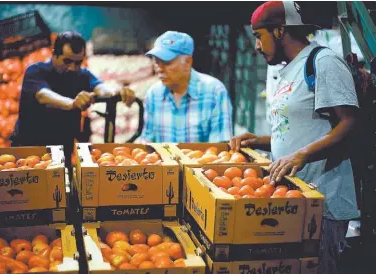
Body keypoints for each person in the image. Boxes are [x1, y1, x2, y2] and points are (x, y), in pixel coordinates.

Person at [230, 2, 359, 274]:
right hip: (291, 198)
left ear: (279, 31)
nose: (256, 46)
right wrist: (260, 141)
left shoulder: (323, 62)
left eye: (258, 36)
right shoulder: (287, 70)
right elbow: (298, 130)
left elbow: (350, 123)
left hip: (323, 202)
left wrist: (302, 155)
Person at [12, 31, 135, 169]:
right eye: (67, 61)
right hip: (30, 151)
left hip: (62, 151)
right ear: (54, 54)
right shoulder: (35, 71)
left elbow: (100, 88)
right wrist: (71, 104)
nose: (72, 68)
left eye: (78, 62)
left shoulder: (82, 75)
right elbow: (43, 95)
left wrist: (116, 93)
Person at [141, 31, 233, 143]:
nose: (159, 68)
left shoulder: (214, 91)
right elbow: (147, 142)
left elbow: (220, 147)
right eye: (156, 61)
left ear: (188, 62)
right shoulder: (153, 94)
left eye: (166, 62)